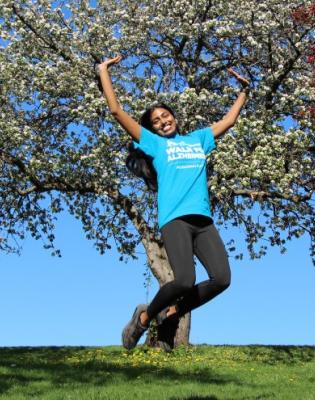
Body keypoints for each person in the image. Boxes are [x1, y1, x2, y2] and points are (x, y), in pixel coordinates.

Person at [96, 55, 250, 350]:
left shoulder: (199, 139)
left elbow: (230, 120)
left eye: (166, 116)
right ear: (152, 129)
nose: (163, 122)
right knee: (183, 281)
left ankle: (171, 315)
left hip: (203, 221)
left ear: (174, 117)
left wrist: (244, 90)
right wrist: (103, 72)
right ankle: (143, 320)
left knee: (222, 279)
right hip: (175, 219)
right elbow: (116, 111)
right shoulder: (154, 144)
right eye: (156, 121)